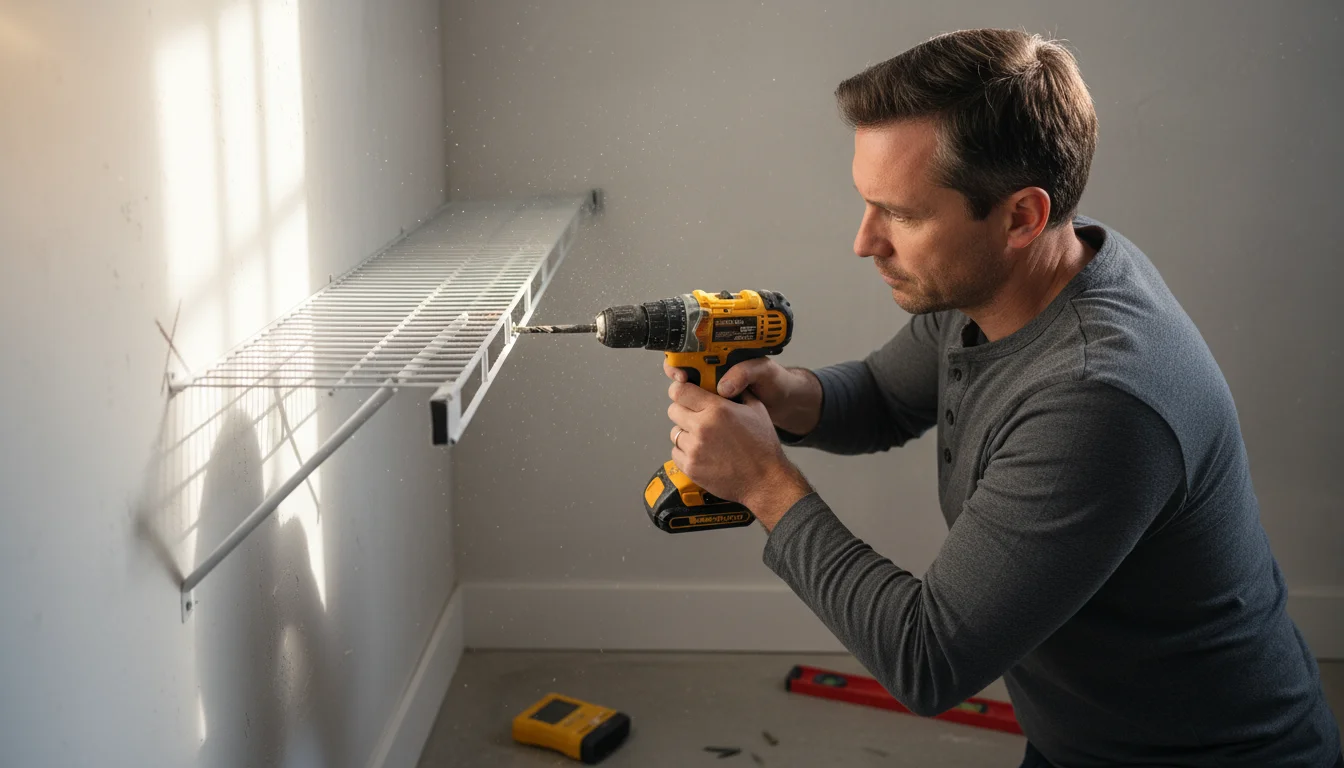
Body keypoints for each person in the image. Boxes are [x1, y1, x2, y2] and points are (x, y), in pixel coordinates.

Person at [663, 28, 1342, 768]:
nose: (865, 241)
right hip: (1080, 742)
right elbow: (888, 396)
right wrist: (788, 394)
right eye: (868, 204)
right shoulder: (1014, 278)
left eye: (903, 214)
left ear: (1022, 216)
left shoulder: (1098, 399)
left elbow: (927, 658)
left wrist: (763, 483)